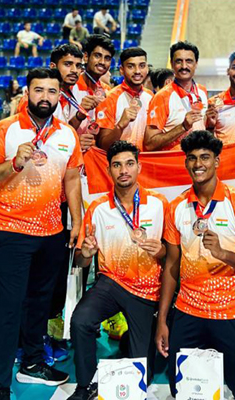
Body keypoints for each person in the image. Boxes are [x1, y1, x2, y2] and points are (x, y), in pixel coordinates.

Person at [0, 68, 84, 400]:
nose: (45, 97)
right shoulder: (6, 130)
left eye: (52, 91)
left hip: (52, 231)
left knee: (40, 303)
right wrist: (13, 163)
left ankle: (33, 363)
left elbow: (71, 179)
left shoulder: (67, 134)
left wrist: (77, 221)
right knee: (9, 308)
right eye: (39, 90)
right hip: (12, 230)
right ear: (27, 92)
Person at [155, 130, 235, 400]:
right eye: (192, 158)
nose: (198, 164)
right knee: (183, 390)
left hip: (232, 312)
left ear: (217, 161)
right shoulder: (177, 207)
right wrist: (163, 320)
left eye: (205, 157)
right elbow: (172, 265)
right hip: (189, 311)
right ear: (185, 163)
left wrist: (223, 253)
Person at [68, 141, 168, 400]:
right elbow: (80, 261)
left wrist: (160, 250)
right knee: (80, 321)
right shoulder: (98, 208)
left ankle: (130, 341)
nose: (124, 170)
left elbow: (172, 254)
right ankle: (85, 385)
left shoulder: (159, 204)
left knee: (142, 375)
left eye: (129, 163)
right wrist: (86, 253)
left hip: (147, 290)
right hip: (111, 283)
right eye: (117, 165)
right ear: (109, 170)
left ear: (139, 167)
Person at [145, 41, 213, 151]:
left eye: (189, 61)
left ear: (196, 63)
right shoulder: (162, 97)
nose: (184, 66)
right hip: (174, 161)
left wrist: (210, 125)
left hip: (198, 159)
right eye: (179, 61)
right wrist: (182, 127)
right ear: (171, 64)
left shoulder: (202, 91)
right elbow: (150, 144)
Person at [95, 47, 153, 150]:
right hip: (119, 159)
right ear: (121, 70)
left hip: (145, 159)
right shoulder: (109, 98)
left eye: (142, 66)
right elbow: (103, 145)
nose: (137, 71)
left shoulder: (151, 97)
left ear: (147, 68)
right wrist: (120, 126)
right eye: (131, 66)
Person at [70, 34, 115, 148]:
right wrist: (75, 141)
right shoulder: (70, 87)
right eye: (97, 56)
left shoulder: (108, 91)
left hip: (97, 154)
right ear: (86, 57)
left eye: (107, 58)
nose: (102, 62)